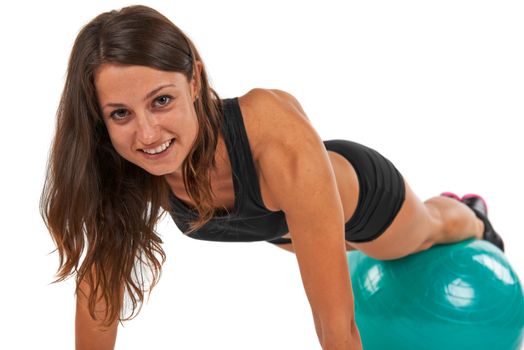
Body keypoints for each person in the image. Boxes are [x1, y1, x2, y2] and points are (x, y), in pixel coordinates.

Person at [39, 5, 504, 350]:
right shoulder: (118, 161)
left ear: (194, 81)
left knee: (425, 233)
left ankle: (471, 213)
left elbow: (335, 327)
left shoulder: (275, 138)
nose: (147, 133)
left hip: (357, 201)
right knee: (328, 246)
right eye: (121, 113)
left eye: (162, 101)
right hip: (278, 225)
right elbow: (99, 302)